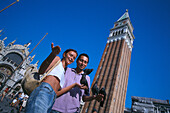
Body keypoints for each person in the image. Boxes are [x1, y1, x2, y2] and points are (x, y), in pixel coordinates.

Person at [25, 43, 86, 113]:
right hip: (45, 90)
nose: (71, 58)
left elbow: (57, 93)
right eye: (70, 55)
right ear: (64, 54)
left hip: (52, 98)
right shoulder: (57, 60)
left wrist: (74, 85)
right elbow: (41, 70)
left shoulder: (64, 73)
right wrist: (53, 54)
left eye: (74, 58)